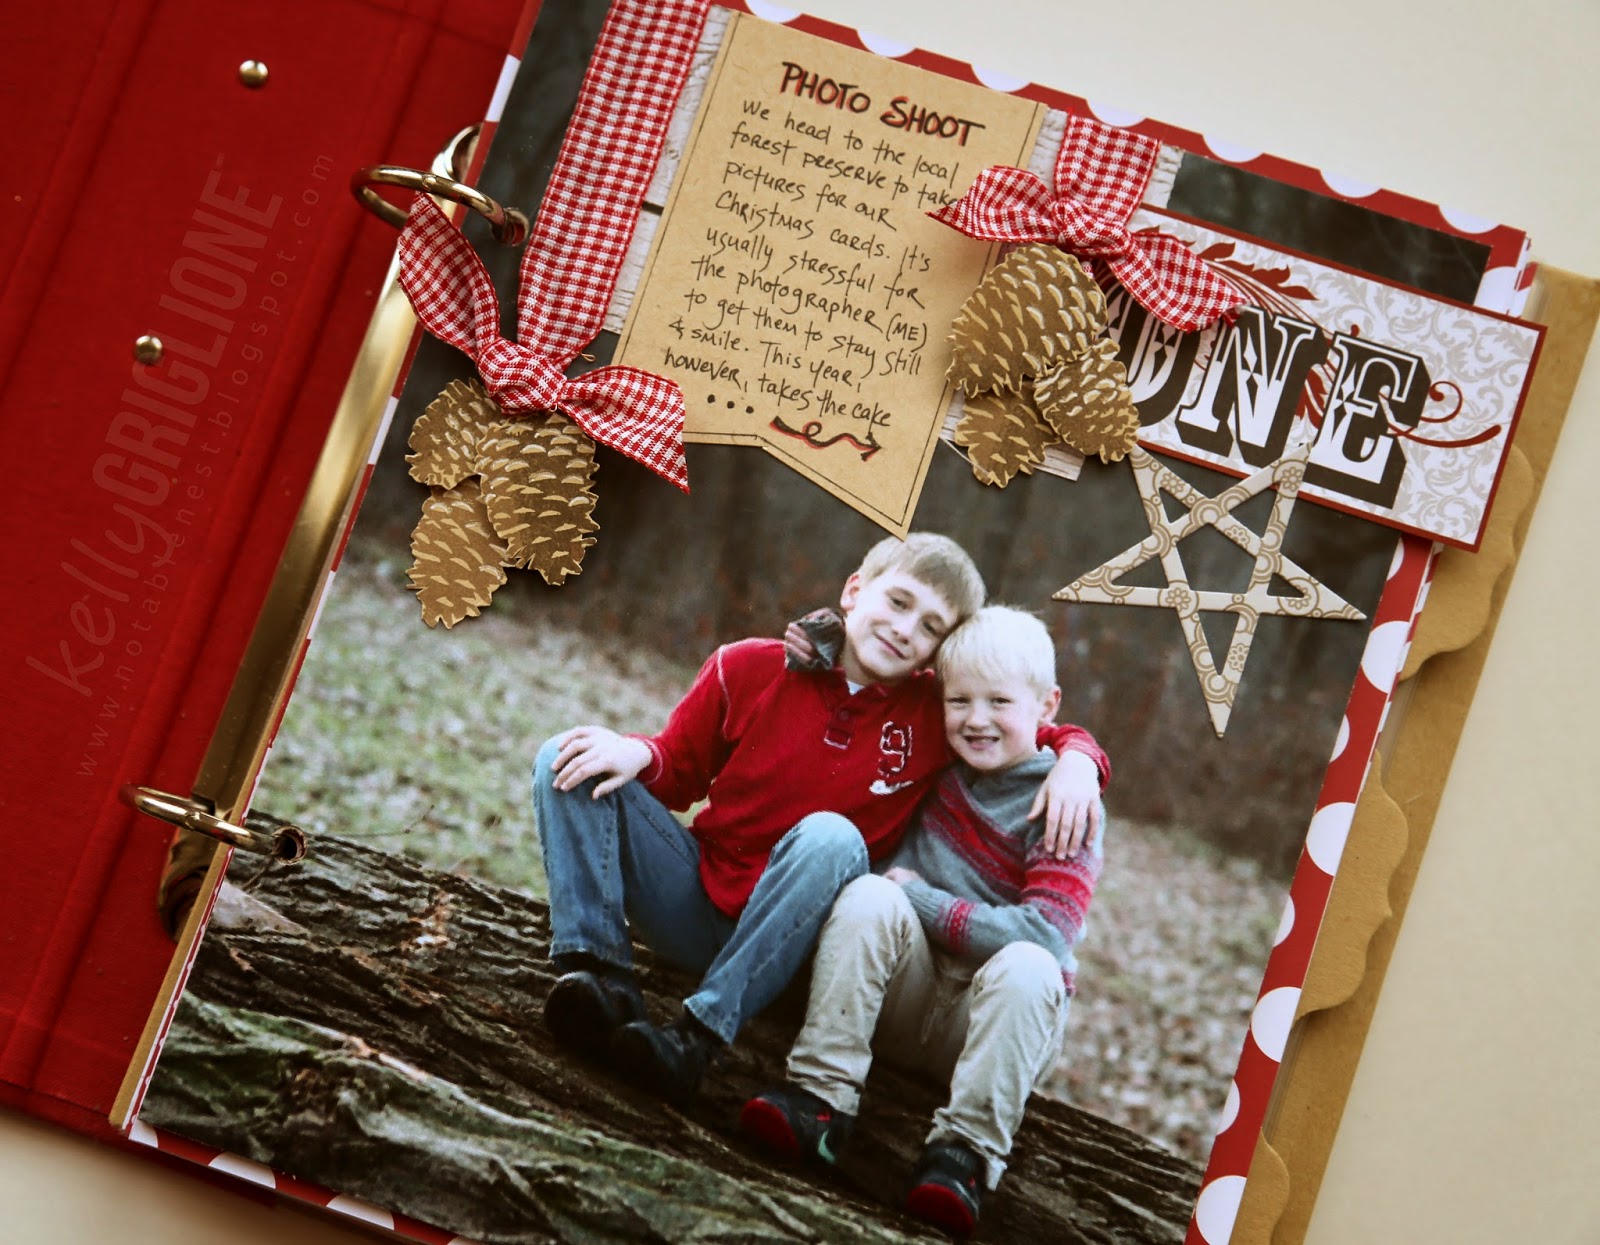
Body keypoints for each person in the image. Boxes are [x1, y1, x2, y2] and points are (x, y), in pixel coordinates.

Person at [530, 534, 1108, 1105]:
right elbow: (678, 771)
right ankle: (600, 977)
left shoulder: (936, 716)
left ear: (940, 652)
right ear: (854, 590)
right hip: (694, 897)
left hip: (797, 950)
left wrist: (1080, 758)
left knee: (830, 835)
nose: (905, 629)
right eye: (898, 602)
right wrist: (640, 751)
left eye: (931, 627)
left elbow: (1019, 716)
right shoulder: (749, 665)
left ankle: (696, 1039)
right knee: (565, 756)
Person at [741, 606, 1105, 1239]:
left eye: (999, 702)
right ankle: (819, 1098)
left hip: (987, 1028)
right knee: (868, 896)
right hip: (904, 994)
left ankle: (962, 1158)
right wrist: (828, 640)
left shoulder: (1065, 802)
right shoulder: (934, 754)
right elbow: (884, 676)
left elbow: (1046, 934)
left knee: (1030, 965)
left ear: (1047, 705)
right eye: (959, 701)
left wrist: (925, 901)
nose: (976, 719)